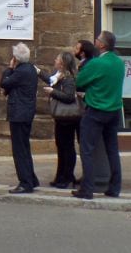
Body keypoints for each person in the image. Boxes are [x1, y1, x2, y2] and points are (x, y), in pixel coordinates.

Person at [72, 30, 125, 200]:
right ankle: (115, 187)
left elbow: (79, 82)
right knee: (112, 150)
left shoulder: (96, 63)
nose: (95, 41)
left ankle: (87, 189)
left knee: (86, 150)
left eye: (97, 39)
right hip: (114, 110)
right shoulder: (119, 62)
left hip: (96, 110)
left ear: (102, 44)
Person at [0, 42, 39, 194]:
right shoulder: (30, 69)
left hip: (19, 114)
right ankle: (31, 179)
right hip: (26, 113)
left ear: (16, 58)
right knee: (24, 147)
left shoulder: (20, 71)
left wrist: (10, 68)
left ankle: (25, 182)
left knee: (19, 149)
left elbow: (4, 83)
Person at [39, 51, 81, 189]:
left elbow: (69, 97)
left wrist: (53, 92)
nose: (55, 60)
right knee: (61, 147)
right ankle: (61, 176)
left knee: (67, 148)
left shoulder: (68, 79)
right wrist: (38, 72)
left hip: (68, 118)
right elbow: (50, 79)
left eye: (57, 59)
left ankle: (67, 177)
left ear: (63, 63)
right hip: (61, 118)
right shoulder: (59, 76)